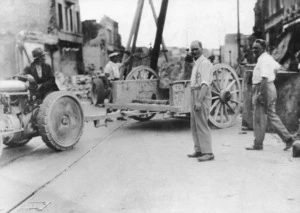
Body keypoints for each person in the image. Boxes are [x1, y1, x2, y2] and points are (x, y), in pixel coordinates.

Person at [246, 39, 294, 151]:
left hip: (263, 88)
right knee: (272, 116)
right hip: (270, 87)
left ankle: (258, 144)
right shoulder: (268, 58)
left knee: (259, 117)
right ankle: (288, 139)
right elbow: (278, 67)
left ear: (263, 48)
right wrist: (271, 81)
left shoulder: (263, 60)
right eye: (253, 48)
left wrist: (261, 94)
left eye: (256, 48)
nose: (254, 50)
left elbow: (264, 78)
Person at [186, 40, 214, 162]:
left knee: (201, 123)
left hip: (201, 94)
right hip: (194, 92)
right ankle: (199, 150)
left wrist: (199, 101)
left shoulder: (204, 63)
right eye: (192, 49)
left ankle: (208, 152)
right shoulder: (196, 63)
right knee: (194, 124)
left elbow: (205, 84)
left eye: (196, 49)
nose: (194, 51)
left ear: (202, 49)